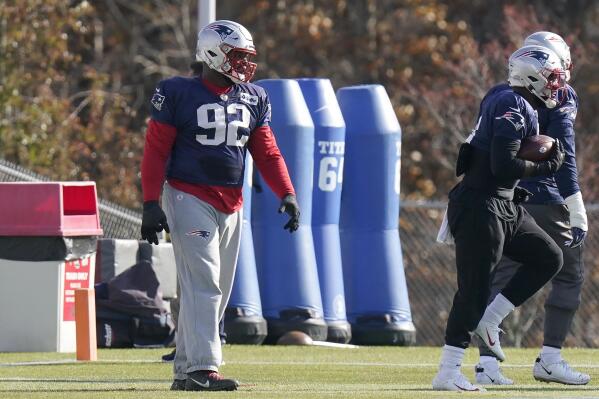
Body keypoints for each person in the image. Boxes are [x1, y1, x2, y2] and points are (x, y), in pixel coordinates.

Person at [141, 20, 300, 392]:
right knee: (204, 285)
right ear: (212, 53)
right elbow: (156, 150)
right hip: (188, 194)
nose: (245, 64)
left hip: (232, 201)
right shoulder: (178, 92)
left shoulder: (254, 97)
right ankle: (203, 369)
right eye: (238, 55)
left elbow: (266, 150)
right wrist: (150, 202)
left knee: (217, 290)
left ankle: (184, 372)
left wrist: (287, 193)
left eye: (248, 57)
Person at [432, 44, 567, 391]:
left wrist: (513, 187)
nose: (555, 85)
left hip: (502, 203)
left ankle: (491, 320)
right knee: (473, 290)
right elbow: (502, 164)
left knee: (548, 256)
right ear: (532, 75)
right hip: (481, 205)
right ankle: (448, 372)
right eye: (551, 78)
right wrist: (547, 166)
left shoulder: (515, 100)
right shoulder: (512, 103)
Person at [475, 32, 590, 386]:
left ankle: (487, 367)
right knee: (569, 273)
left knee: (502, 277)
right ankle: (551, 358)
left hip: (503, 196)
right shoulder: (562, 96)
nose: (560, 78)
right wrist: (576, 204)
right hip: (546, 197)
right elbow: (565, 156)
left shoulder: (499, 94)